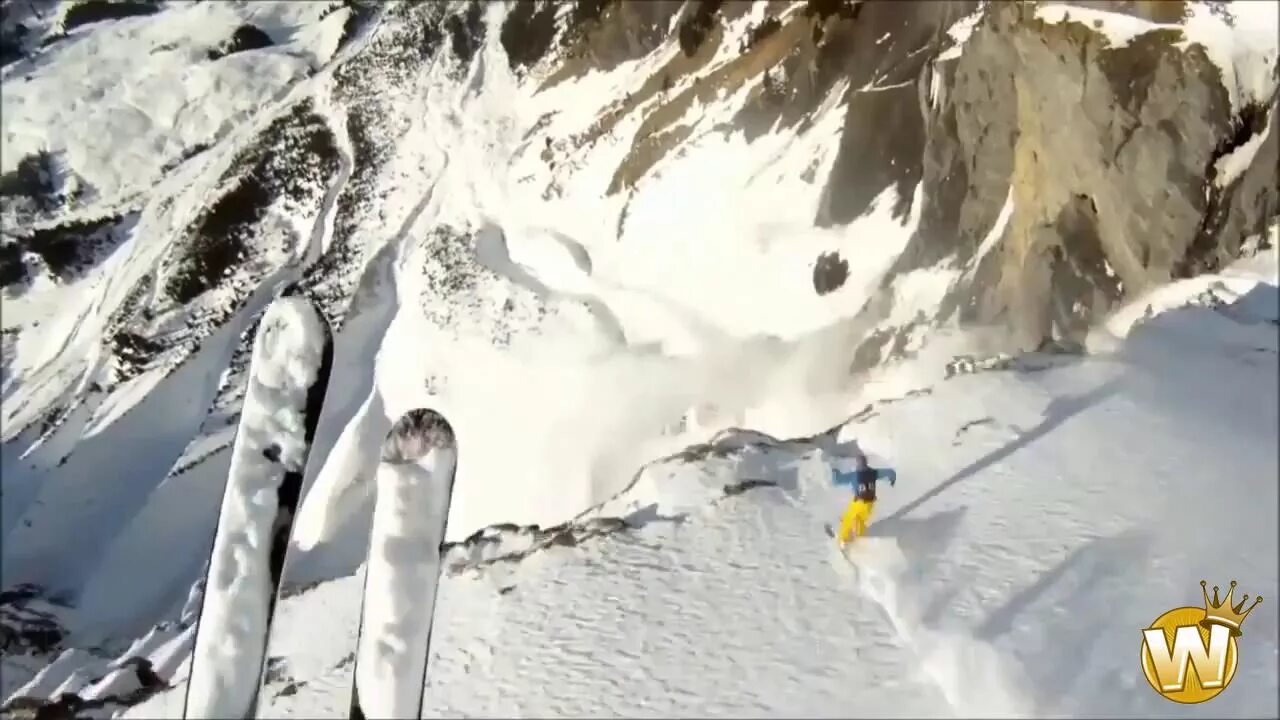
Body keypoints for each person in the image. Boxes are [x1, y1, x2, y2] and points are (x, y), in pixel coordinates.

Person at [830, 453, 896, 547]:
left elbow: (837, 480)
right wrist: (892, 479)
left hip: (859, 502)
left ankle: (842, 540)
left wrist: (834, 469)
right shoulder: (874, 473)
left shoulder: (855, 475)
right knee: (860, 520)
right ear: (866, 463)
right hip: (870, 504)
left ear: (857, 464)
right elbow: (889, 472)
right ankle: (859, 538)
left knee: (849, 519)